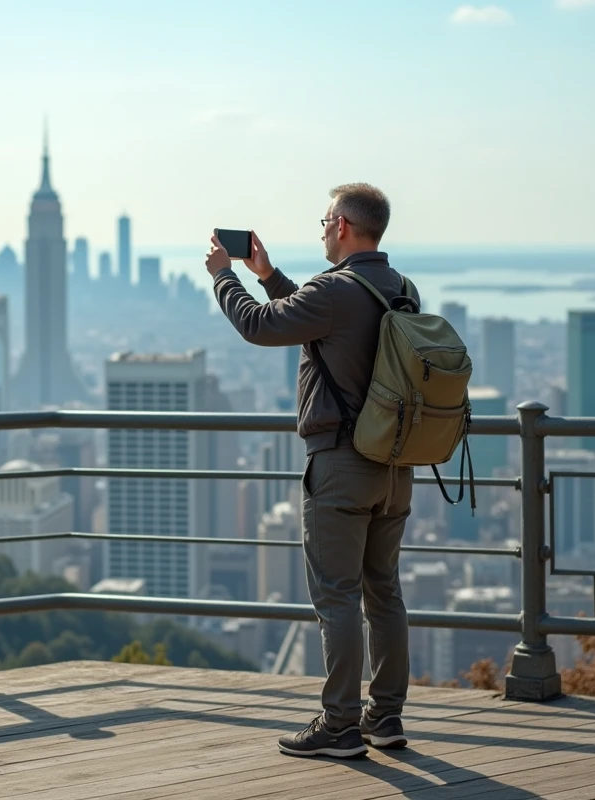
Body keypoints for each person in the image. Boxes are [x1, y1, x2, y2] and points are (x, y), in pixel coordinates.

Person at [204, 182, 418, 759]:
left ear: (345, 226)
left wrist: (225, 275)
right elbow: (326, 325)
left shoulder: (334, 290)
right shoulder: (399, 288)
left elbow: (260, 326)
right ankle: (386, 716)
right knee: (384, 593)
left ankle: (341, 725)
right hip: (396, 467)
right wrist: (267, 274)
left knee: (337, 597)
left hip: (343, 467)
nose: (321, 228)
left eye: (326, 219)